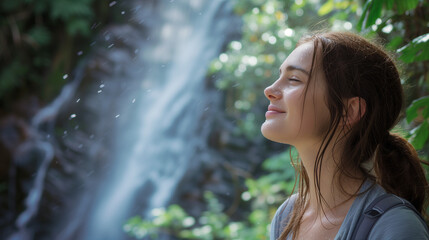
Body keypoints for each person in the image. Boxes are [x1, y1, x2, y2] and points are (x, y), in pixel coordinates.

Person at [261, 31, 429, 240]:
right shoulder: (287, 216)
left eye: (294, 79)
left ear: (349, 111)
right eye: (279, 76)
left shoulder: (395, 227)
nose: (270, 89)